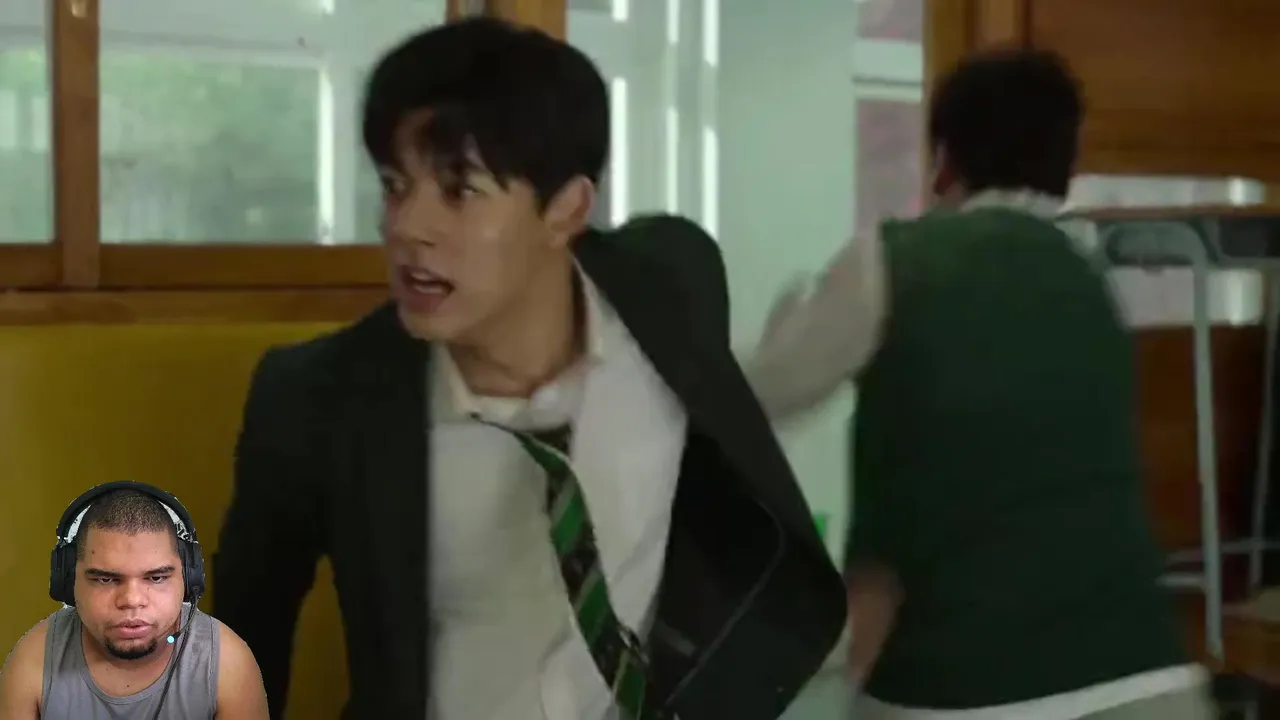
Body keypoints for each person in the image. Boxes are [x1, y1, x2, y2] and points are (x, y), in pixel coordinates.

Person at [211, 16, 846, 720]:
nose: (407, 226)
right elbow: (238, 652)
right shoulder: (317, 401)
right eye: (395, 185)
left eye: (460, 190)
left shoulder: (673, 285)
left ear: (567, 209)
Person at [744, 48, 1214, 719]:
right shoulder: (1090, 279)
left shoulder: (899, 261)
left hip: (965, 687)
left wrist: (786, 311)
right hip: (1149, 683)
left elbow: (756, 395)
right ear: (1065, 167)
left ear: (944, 161)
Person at [0, 482, 268, 720]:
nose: (132, 600)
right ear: (69, 581)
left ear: (189, 578)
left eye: (156, 578)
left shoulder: (227, 663)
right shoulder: (33, 660)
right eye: (106, 579)